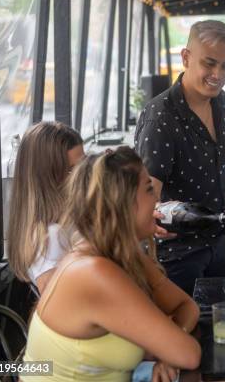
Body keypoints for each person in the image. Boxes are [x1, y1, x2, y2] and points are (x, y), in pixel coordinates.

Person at [23, 147, 201, 381]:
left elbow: (186, 306)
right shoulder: (94, 273)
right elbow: (189, 354)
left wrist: (166, 354)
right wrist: (169, 349)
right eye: (148, 189)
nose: (157, 198)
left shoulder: (120, 255)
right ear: (123, 202)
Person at [135, 20, 225, 294]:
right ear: (186, 58)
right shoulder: (161, 117)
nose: (218, 74)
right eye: (210, 63)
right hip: (178, 257)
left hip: (219, 242)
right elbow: (145, 194)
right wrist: (152, 218)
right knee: (189, 334)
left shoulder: (221, 101)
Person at [7, 121, 84, 295]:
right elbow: (64, 312)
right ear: (48, 177)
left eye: (84, 165)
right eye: (72, 170)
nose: (82, 176)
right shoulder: (52, 238)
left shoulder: (63, 223)